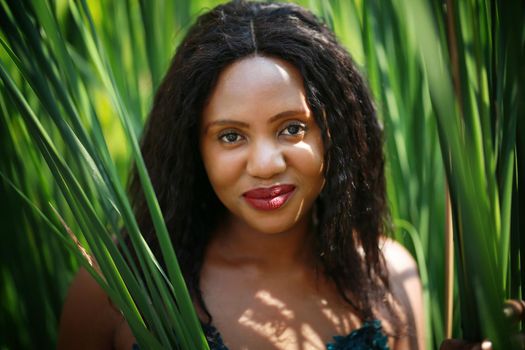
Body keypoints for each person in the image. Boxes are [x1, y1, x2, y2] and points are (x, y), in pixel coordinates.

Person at [57, 1, 426, 349]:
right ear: (194, 148)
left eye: (292, 128)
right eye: (231, 136)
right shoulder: (117, 288)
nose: (265, 165)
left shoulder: (390, 277)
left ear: (337, 134)